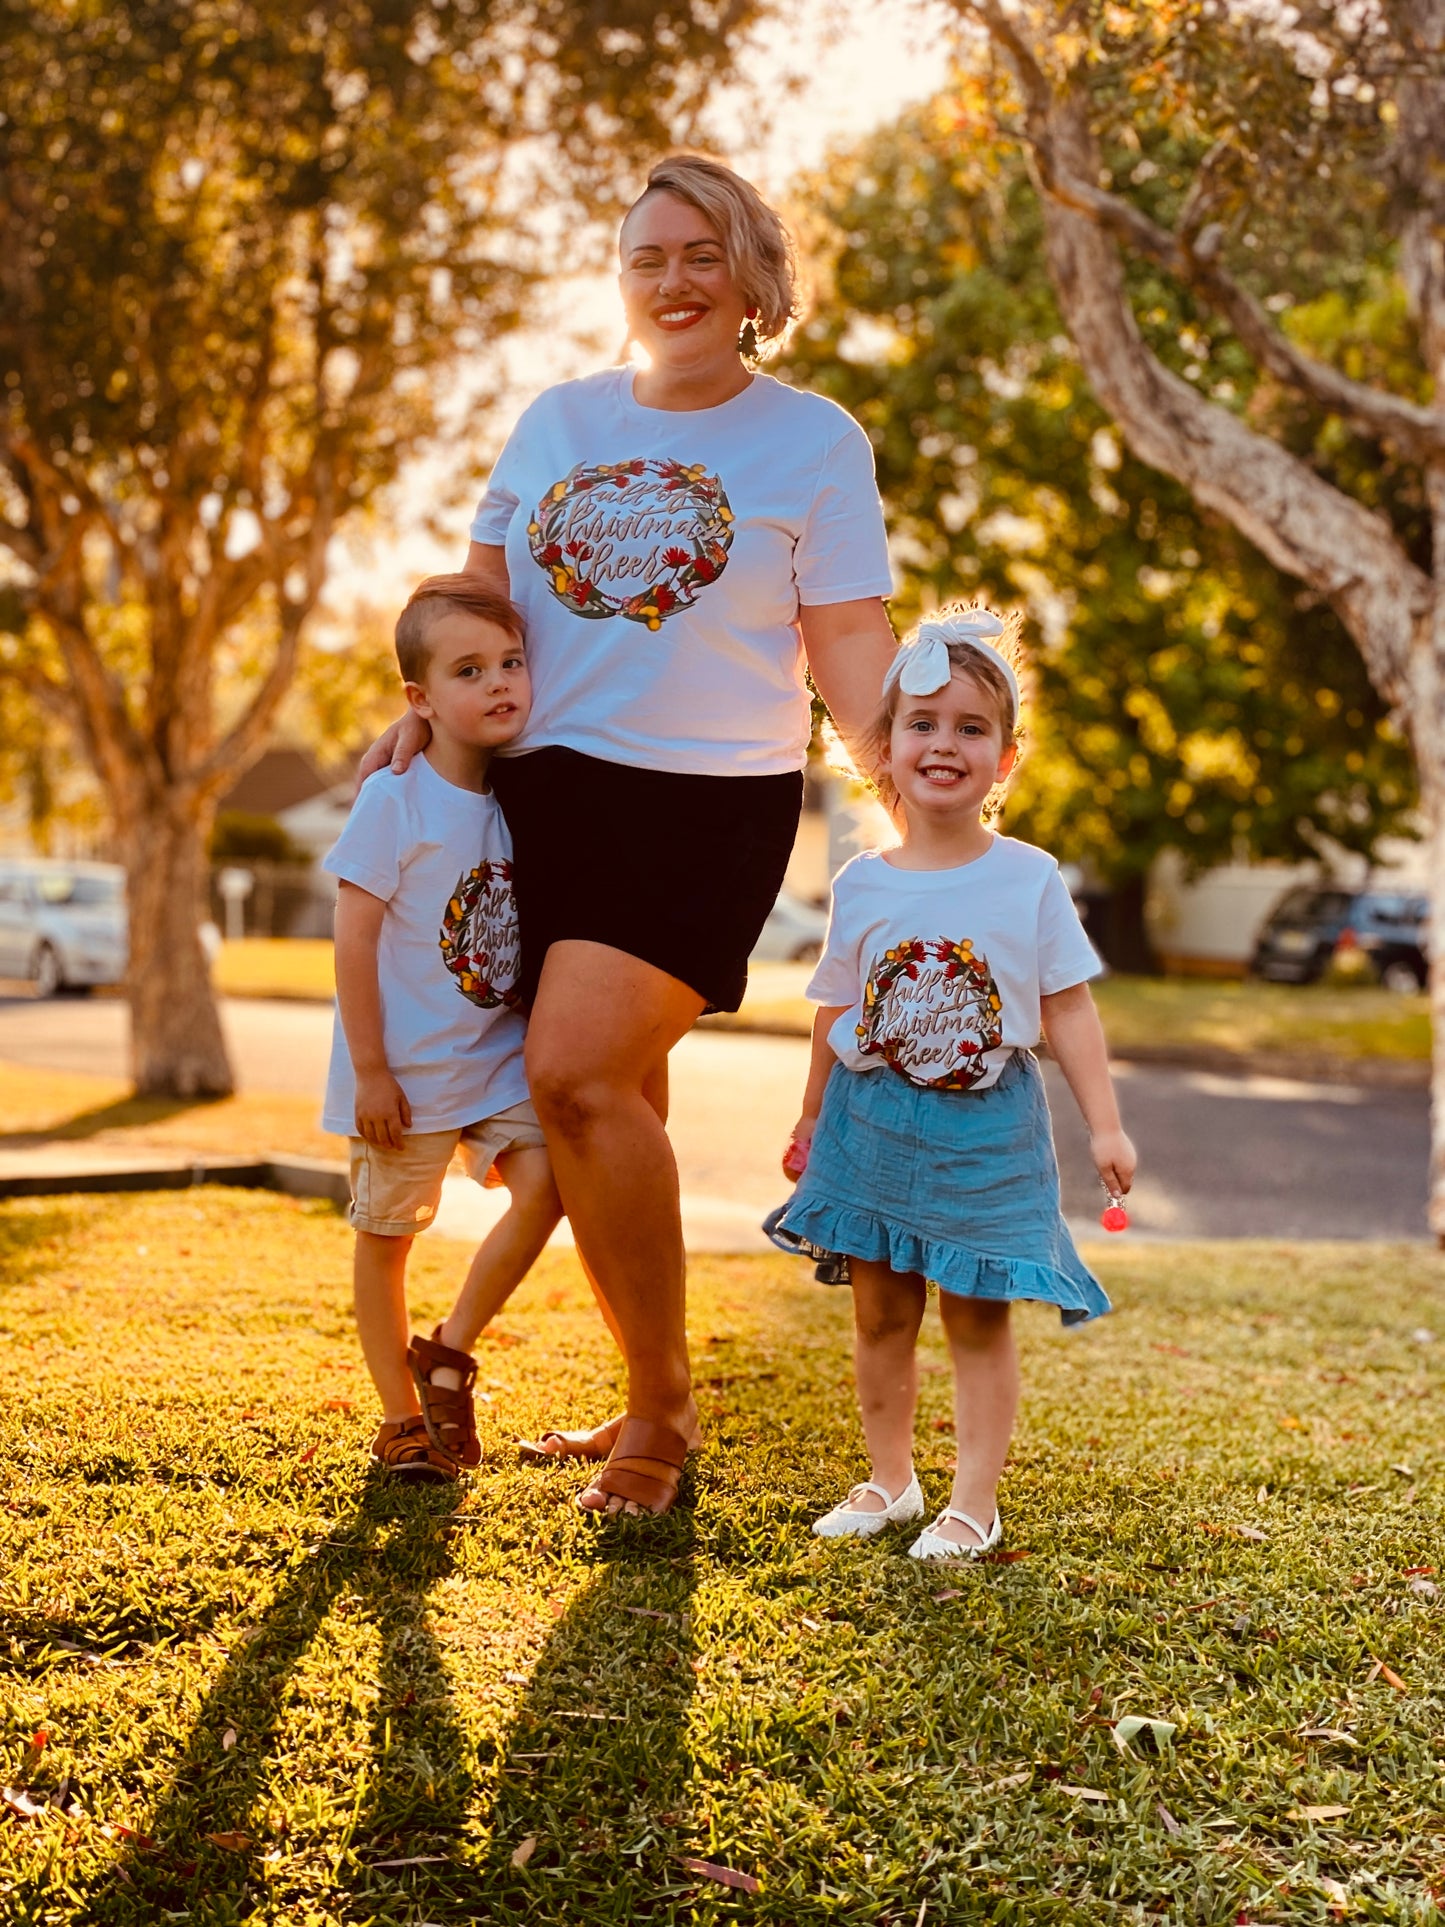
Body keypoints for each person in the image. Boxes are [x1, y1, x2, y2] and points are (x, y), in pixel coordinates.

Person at [362, 154, 898, 1517]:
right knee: (617, 1101)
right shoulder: (557, 417)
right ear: (621, 279)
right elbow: (479, 593)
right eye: (649, 257)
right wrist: (424, 717)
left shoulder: (814, 439)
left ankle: (662, 1408)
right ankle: (641, 1383)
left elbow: (843, 638)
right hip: (541, 792)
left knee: (576, 1075)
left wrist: (911, 790)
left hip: (703, 795)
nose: (673, 281)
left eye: (701, 253)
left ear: (752, 278)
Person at [766, 606, 1136, 1559]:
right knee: (881, 1312)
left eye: (971, 727)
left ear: (1005, 758)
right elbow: (832, 1008)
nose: (944, 744)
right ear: (883, 749)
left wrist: (1104, 1127)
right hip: (871, 1120)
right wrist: (810, 1114)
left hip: (986, 1127)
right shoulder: (862, 884)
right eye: (921, 724)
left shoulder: (1029, 878)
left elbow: (1069, 1010)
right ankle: (890, 1482)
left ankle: (974, 1502)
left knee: (975, 1317)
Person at [324, 576, 562, 1483]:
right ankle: (401, 1423)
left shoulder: (518, 790)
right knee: (386, 1239)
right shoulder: (395, 798)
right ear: (419, 700)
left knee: (548, 1183)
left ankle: (449, 1349)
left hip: (494, 1061)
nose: (499, 683)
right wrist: (370, 1071)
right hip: (407, 1073)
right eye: (469, 671)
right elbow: (352, 937)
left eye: (510, 663)